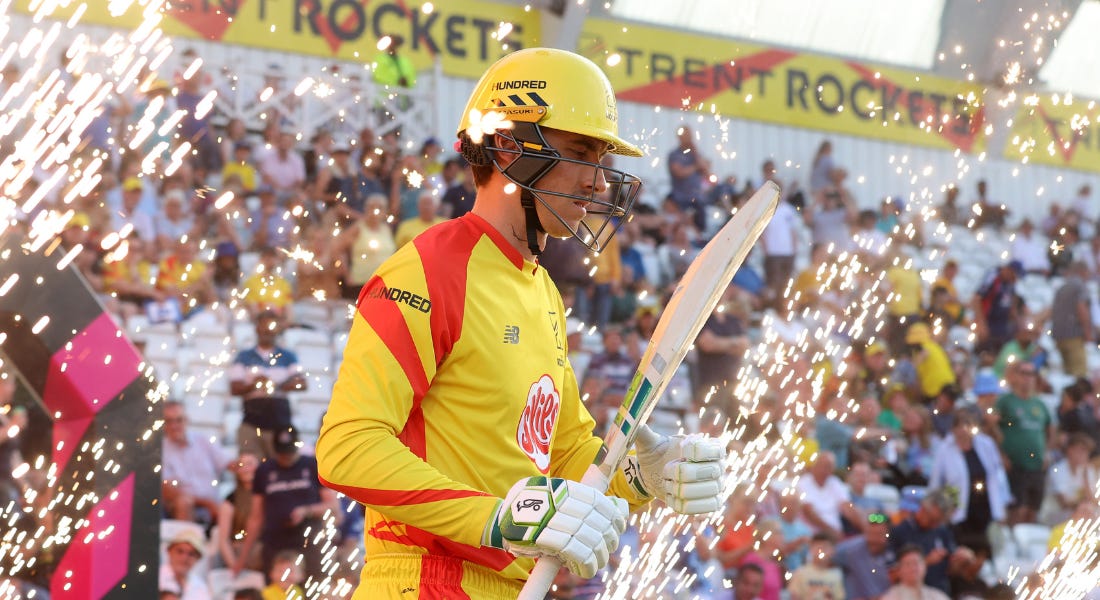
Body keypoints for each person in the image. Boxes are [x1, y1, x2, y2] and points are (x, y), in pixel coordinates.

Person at [316, 48, 727, 598]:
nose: (598, 182)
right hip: (421, 583)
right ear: (508, 148)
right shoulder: (428, 268)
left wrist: (640, 476)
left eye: (601, 159)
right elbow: (347, 447)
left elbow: (562, 453)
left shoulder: (544, 291)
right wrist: (499, 520)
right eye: (582, 152)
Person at [237, 427, 339, 582]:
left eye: (289, 452)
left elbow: (333, 505)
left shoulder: (312, 465)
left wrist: (306, 511)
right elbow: (256, 516)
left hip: (308, 540)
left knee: (311, 586)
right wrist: (243, 558)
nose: (286, 457)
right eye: (282, 453)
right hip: (275, 540)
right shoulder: (264, 471)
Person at [928, 410, 1010, 558]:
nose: (964, 430)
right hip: (958, 512)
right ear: (953, 429)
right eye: (960, 425)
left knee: (986, 553)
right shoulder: (944, 450)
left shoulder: (986, 445)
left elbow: (998, 476)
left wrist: (1002, 506)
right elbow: (936, 482)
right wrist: (940, 508)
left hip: (985, 509)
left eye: (968, 425)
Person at [228, 311, 307, 459]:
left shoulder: (288, 356)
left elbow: (301, 383)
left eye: (270, 326)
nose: (266, 330)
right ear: (256, 328)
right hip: (251, 425)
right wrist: (256, 385)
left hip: (280, 424)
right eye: (263, 326)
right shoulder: (243, 357)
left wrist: (275, 385)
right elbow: (234, 388)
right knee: (250, 471)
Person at [996, 360, 1054, 524]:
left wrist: (1047, 452)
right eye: (1024, 373)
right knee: (1016, 510)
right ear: (1015, 376)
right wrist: (1000, 454)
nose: (1028, 378)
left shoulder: (1040, 404)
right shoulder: (1005, 402)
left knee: (1032, 509)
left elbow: (1050, 428)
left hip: (1036, 464)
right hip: (1015, 464)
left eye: (1031, 374)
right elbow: (992, 427)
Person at [161, 400, 232, 524]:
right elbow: (169, 492)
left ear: (186, 420)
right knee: (183, 502)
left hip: (212, 505)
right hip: (182, 506)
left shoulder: (202, 440)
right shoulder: (161, 450)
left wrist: (245, 465)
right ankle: (187, 542)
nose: (174, 426)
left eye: (178, 420)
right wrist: (208, 504)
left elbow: (228, 463)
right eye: (169, 421)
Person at [888, 488, 960, 595]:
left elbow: (951, 568)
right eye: (932, 520)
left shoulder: (942, 531)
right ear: (922, 509)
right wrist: (925, 562)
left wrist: (960, 560)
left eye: (939, 521)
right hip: (908, 594)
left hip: (939, 593)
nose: (935, 525)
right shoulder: (900, 531)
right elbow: (891, 574)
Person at [834, 512, 894, 600]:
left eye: (878, 534)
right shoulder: (850, 550)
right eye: (870, 533)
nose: (873, 539)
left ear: (888, 534)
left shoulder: (894, 553)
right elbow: (828, 558)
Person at [1051, 260, 1093, 378]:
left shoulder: (1062, 287)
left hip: (1059, 337)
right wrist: (1087, 332)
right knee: (1079, 375)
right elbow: (1081, 308)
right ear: (1083, 272)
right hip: (1074, 335)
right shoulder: (1080, 286)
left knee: (1067, 375)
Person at [787, 532, 845, 600]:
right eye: (817, 547)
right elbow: (795, 596)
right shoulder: (800, 573)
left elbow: (839, 596)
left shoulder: (837, 574)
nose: (821, 551)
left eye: (825, 547)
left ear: (833, 550)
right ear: (811, 549)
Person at [159, 527, 213, 599]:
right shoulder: (155, 578)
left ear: (198, 558)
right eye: (180, 551)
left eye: (191, 554)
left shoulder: (200, 586)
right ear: (169, 551)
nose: (184, 558)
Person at [882, 544, 950, 600]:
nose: (913, 568)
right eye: (908, 564)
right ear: (899, 570)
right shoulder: (890, 597)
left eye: (916, 563)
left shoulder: (937, 596)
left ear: (925, 566)